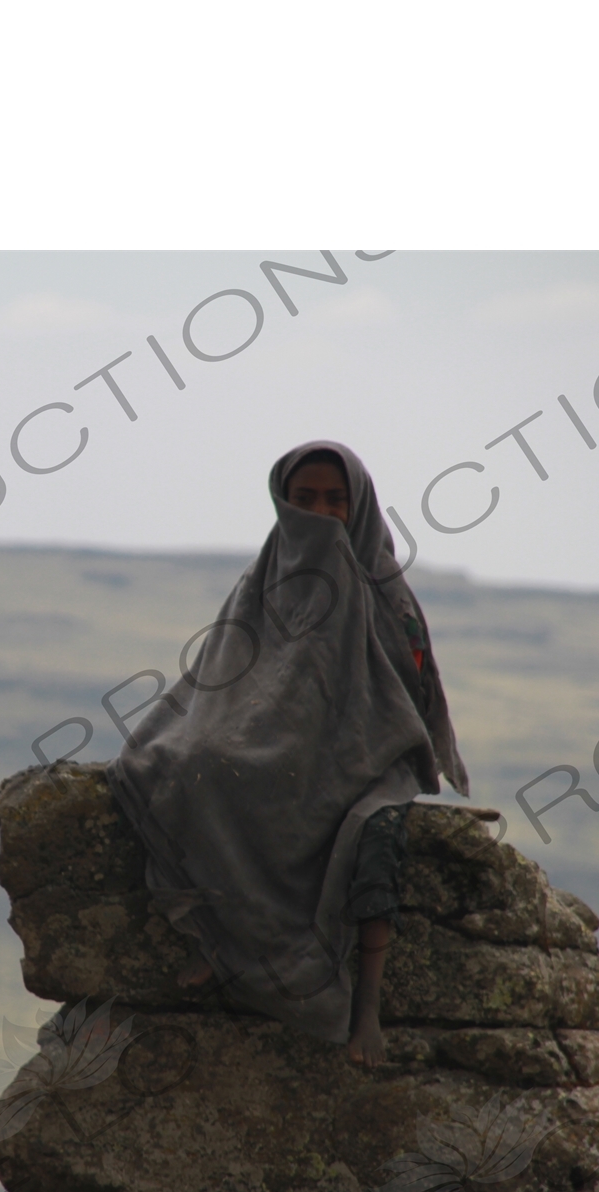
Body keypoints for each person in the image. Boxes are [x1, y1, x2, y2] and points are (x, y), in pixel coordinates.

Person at [105, 441, 468, 1066]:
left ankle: (367, 1009)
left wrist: (343, 735)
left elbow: (412, 690)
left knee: (371, 835)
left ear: (358, 506)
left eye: (334, 499)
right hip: (279, 739)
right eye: (304, 500)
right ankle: (220, 945)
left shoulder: (384, 588)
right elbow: (222, 674)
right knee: (189, 765)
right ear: (282, 503)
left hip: (372, 751)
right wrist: (246, 733)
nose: (321, 512)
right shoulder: (265, 576)